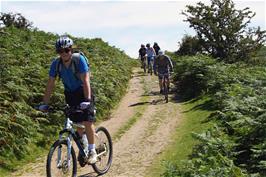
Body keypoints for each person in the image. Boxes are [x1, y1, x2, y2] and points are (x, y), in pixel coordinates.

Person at [38, 35, 97, 164]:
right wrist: (45, 103)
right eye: (60, 51)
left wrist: (87, 100)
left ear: (71, 49)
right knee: (77, 124)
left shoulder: (79, 60)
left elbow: (86, 80)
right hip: (70, 94)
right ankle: (84, 145)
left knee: (87, 121)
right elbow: (50, 84)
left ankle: (92, 151)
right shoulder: (56, 64)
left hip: (84, 91)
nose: (64, 53)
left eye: (66, 50)